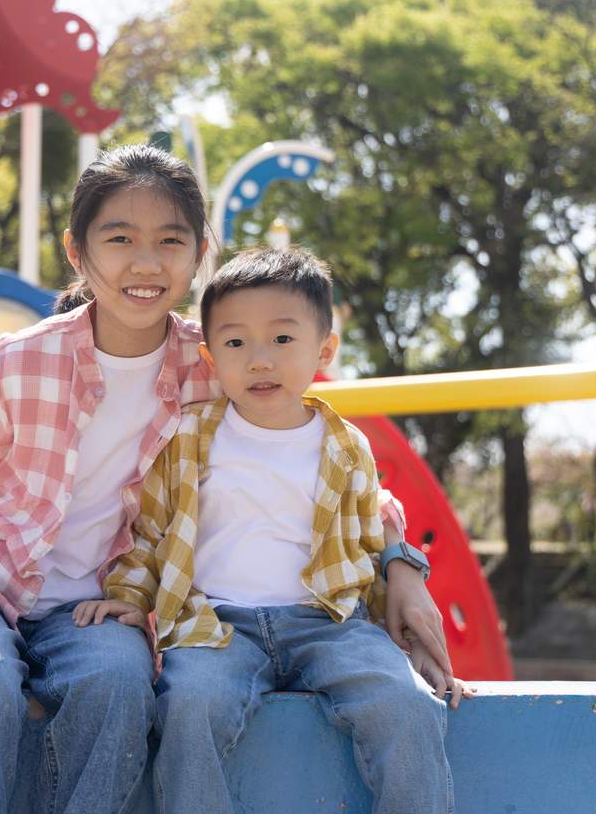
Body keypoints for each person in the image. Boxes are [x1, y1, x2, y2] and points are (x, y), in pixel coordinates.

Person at [0, 146, 451, 814]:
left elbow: (337, 476)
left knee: (119, 685)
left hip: (91, 603)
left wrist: (402, 568)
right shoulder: (17, 362)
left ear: (198, 252)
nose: (145, 263)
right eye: (119, 239)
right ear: (77, 251)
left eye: (169, 241)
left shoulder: (216, 363)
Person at [75, 247, 473, 814]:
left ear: (324, 349)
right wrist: (129, 598)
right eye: (236, 343)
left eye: (283, 340)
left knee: (404, 705)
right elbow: (151, 531)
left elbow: (365, 536)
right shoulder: (188, 439)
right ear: (212, 359)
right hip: (220, 626)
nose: (260, 360)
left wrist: (402, 640)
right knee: (188, 707)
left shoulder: (344, 445)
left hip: (329, 622)